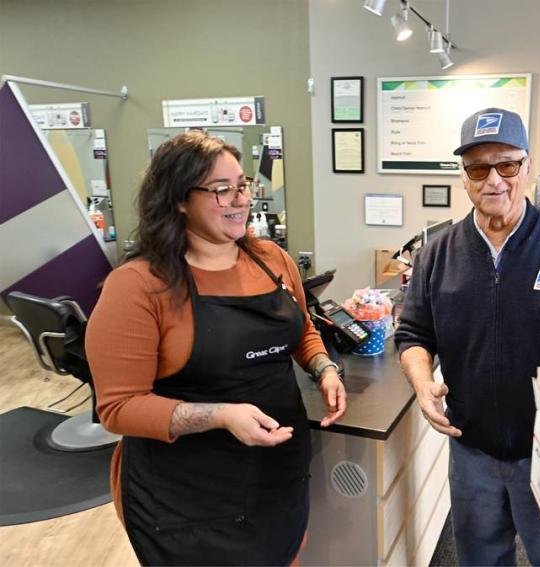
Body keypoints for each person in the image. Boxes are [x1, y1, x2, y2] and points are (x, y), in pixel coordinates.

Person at [86, 132, 346, 566]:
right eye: (221, 190)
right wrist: (221, 415)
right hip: (188, 499)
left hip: (276, 472)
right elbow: (118, 408)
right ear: (179, 199)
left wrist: (324, 369)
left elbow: (301, 329)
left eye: (242, 186)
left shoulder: (271, 259)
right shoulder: (137, 286)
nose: (239, 200)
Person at [395, 107, 540, 566]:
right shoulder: (437, 253)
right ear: (465, 177)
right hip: (470, 445)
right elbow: (414, 332)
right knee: (479, 558)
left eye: (507, 165)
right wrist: (422, 384)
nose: (493, 179)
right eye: (478, 167)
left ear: (528, 168)